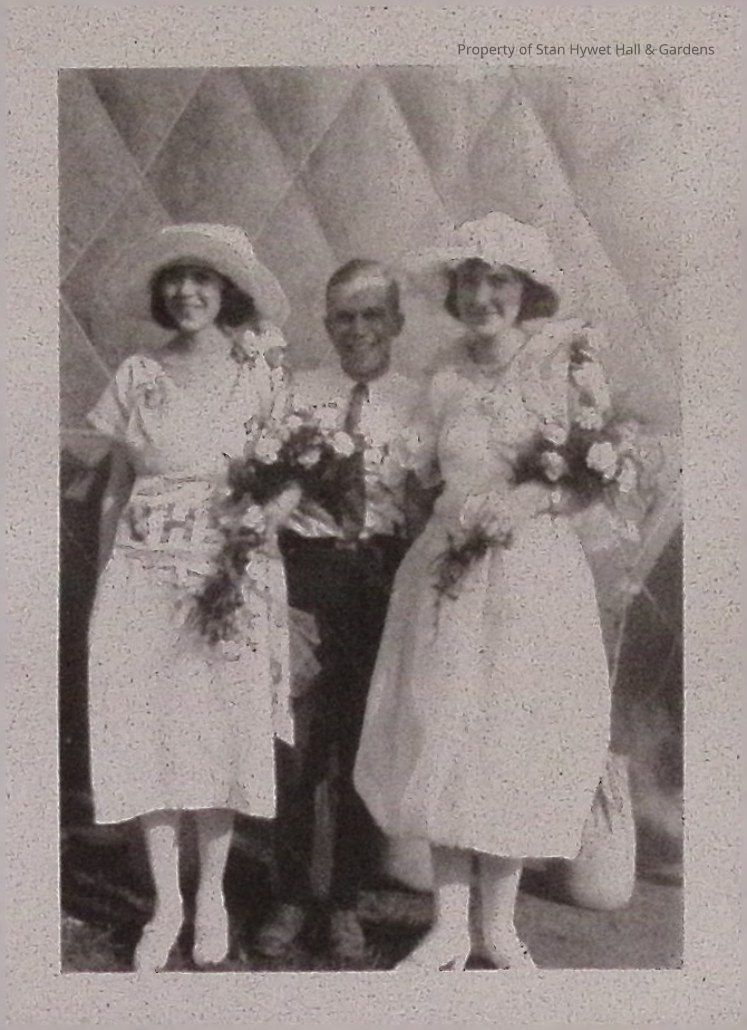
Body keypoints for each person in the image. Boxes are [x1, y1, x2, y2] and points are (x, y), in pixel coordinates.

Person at [353, 213, 612, 970]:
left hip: (533, 577)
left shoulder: (560, 365)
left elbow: (594, 476)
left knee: (509, 738)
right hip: (449, 573)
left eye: (497, 281)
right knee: (442, 728)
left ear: (525, 291)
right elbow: (417, 474)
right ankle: (448, 927)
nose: (480, 297)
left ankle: (498, 926)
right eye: (468, 282)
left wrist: (529, 502)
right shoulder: (442, 375)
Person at [85, 223, 298, 971]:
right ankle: (166, 902)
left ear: (226, 289)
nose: (186, 292)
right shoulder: (138, 373)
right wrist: (108, 578)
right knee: (146, 731)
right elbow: (114, 487)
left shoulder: (257, 372)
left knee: (218, 731)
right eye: (173, 278)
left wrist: (262, 529)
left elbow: (289, 475)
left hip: (227, 575)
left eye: (201, 278)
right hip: (142, 571)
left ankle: (211, 897)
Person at [254, 259, 431, 966]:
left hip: (380, 574)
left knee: (363, 744)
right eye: (344, 317)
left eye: (372, 315)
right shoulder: (297, 393)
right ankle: (291, 894)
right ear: (326, 324)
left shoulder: (418, 401)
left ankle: (346, 900)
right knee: (297, 744)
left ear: (396, 322)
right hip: (306, 570)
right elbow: (264, 482)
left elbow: (423, 500)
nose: (358, 330)